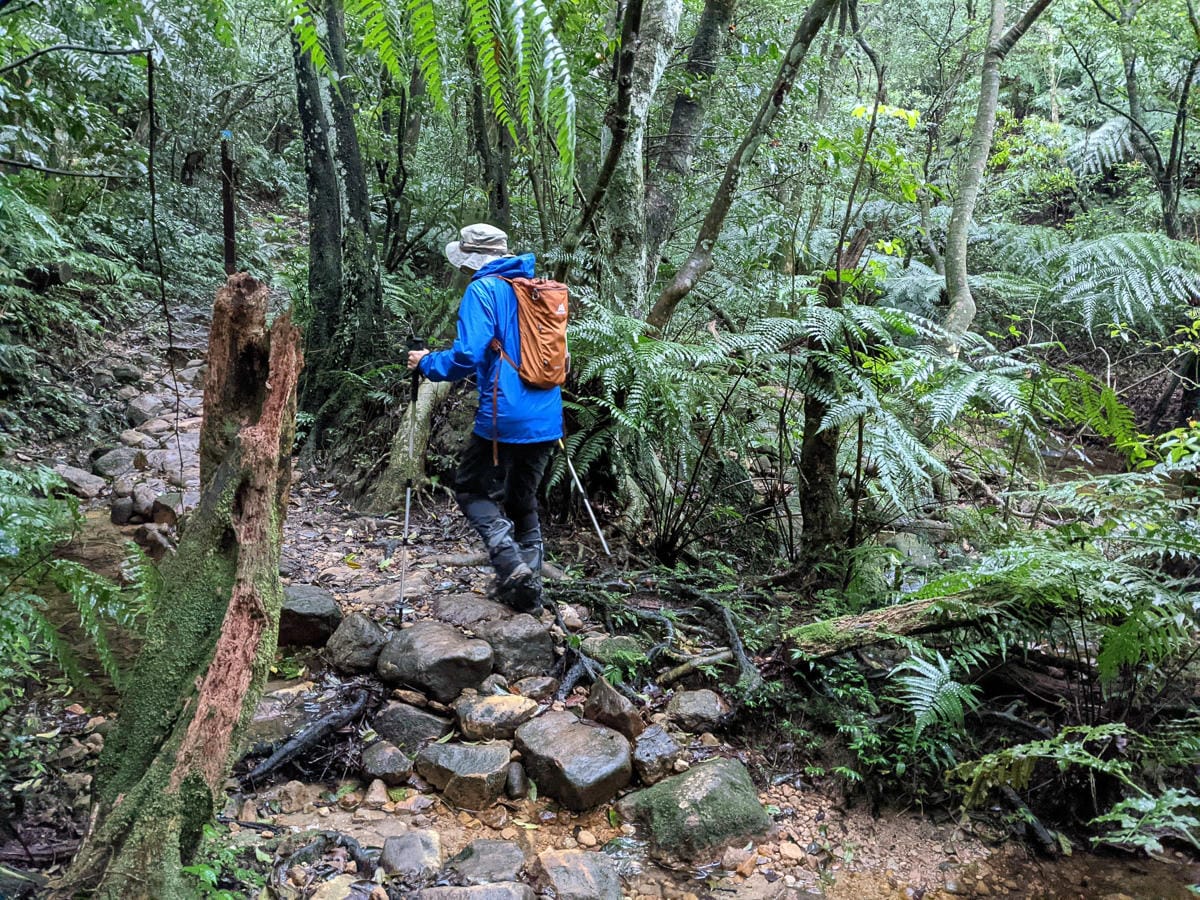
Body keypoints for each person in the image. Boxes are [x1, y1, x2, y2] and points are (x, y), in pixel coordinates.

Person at [407, 223, 562, 611]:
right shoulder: (535, 291)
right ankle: (529, 589)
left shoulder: (483, 290)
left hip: (504, 414)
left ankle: (511, 566)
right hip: (547, 414)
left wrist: (427, 362)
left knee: (471, 489)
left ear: (472, 258)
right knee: (520, 496)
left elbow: (467, 356)